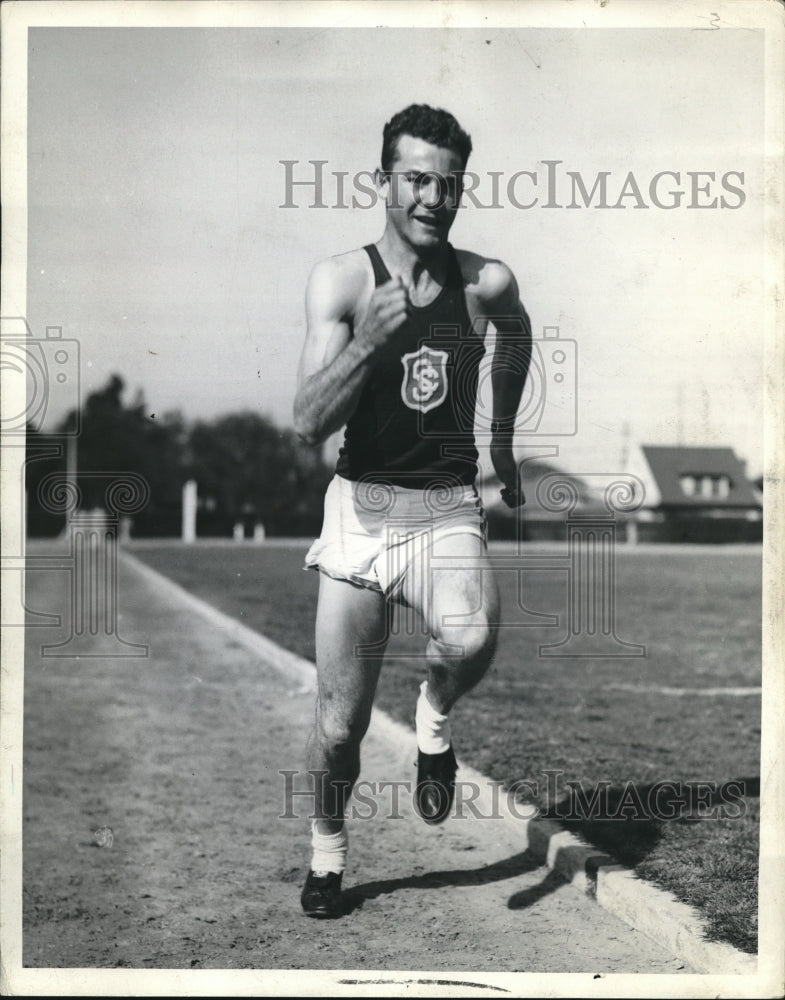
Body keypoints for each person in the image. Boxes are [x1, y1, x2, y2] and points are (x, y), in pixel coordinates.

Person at [293, 103, 531, 917]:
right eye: (416, 179)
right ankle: (326, 857)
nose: (433, 197)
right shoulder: (343, 280)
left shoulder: (482, 280)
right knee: (336, 730)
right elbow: (304, 423)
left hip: (445, 510)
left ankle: (432, 718)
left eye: (448, 182)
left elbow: (518, 329)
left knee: (469, 636)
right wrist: (367, 342)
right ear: (383, 181)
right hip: (360, 516)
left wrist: (499, 441)